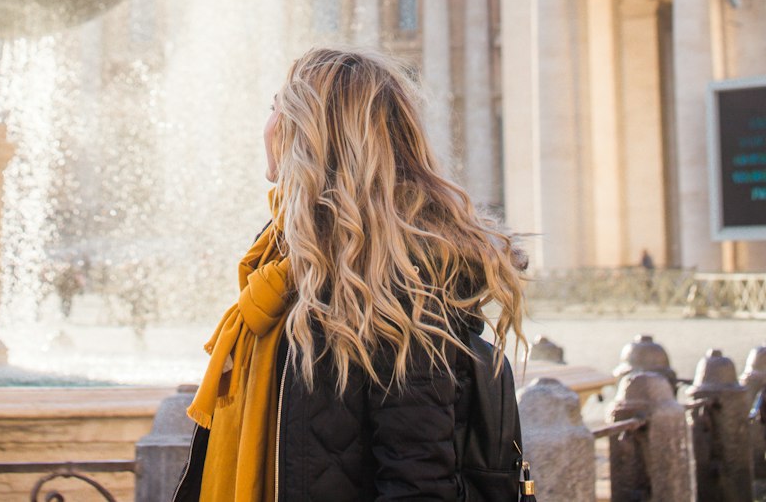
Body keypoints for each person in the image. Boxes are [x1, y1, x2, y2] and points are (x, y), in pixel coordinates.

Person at [176, 47, 528, 502]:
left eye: (276, 108)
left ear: (307, 132)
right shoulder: (287, 267)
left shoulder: (396, 287)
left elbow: (418, 483)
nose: (267, 125)